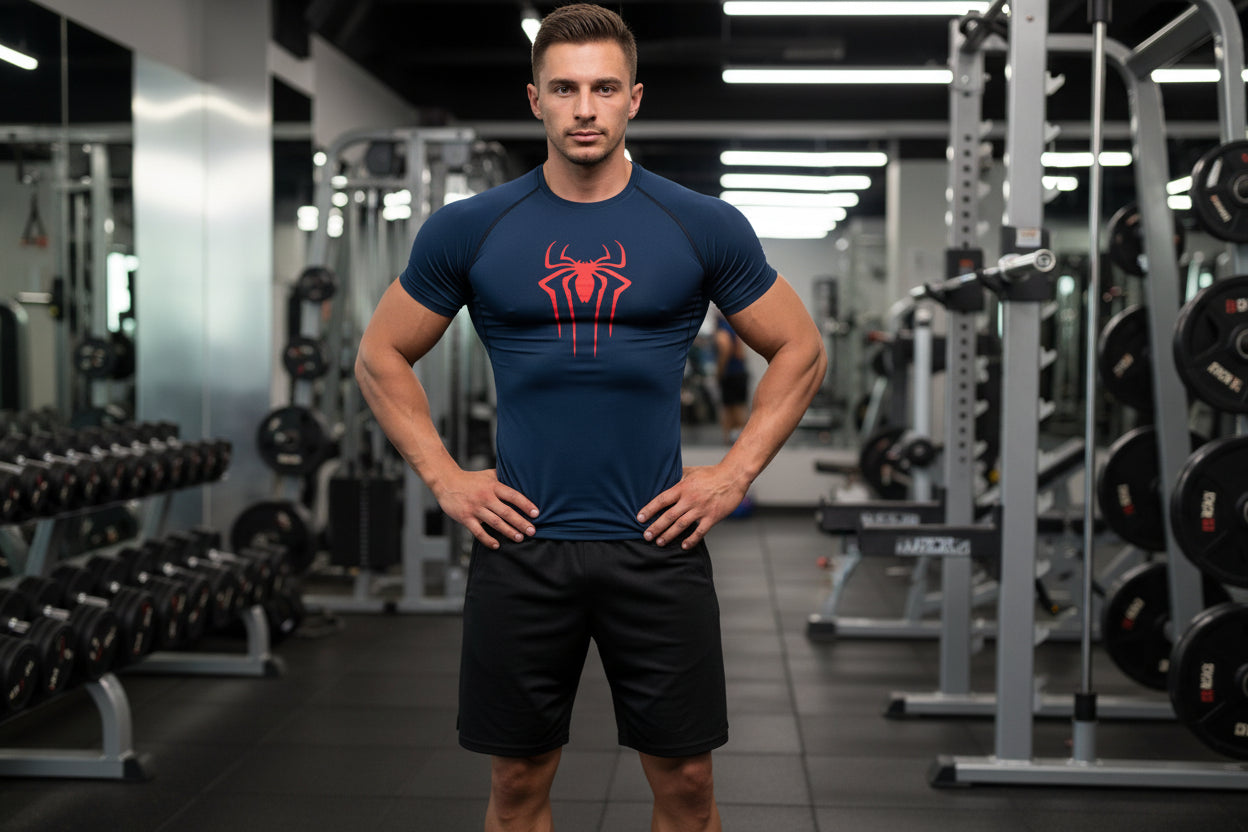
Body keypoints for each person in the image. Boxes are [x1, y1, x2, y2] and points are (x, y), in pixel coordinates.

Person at [355, 4, 826, 830]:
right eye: (564, 88)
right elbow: (380, 355)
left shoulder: (699, 223)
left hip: (658, 544)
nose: (584, 108)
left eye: (604, 88)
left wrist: (732, 476)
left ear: (633, 99)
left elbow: (801, 349)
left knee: (685, 782)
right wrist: (447, 479)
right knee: (516, 783)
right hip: (521, 545)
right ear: (534, 98)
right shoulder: (471, 228)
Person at [714, 312, 750, 444]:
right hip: (739, 372)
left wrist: (720, 371)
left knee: (730, 407)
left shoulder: (722, 330)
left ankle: (731, 438)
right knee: (738, 406)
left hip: (730, 373)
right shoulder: (735, 328)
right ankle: (738, 437)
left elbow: (724, 347)